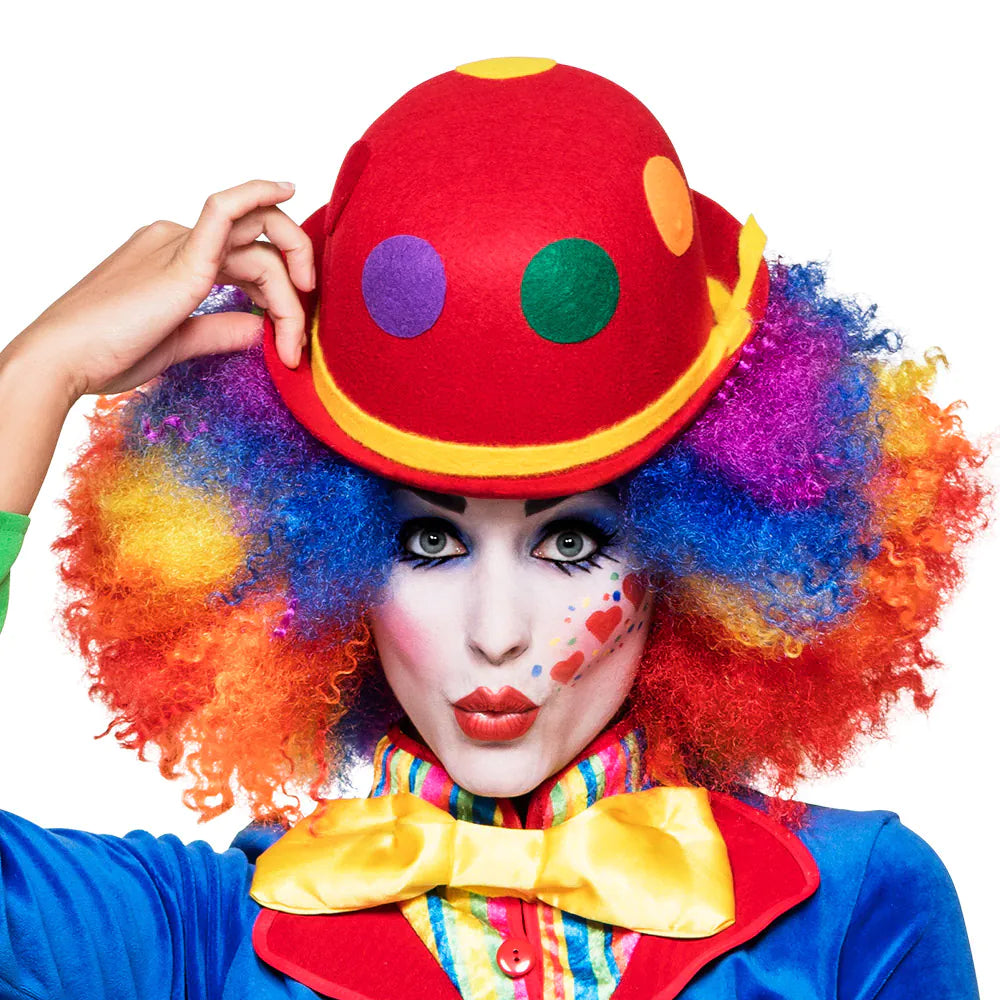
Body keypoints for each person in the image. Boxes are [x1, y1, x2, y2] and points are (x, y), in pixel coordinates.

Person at [0, 57, 987, 999]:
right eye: (429, 543)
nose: (498, 632)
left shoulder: (855, 907)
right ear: (316, 562)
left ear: (695, 559)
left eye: (573, 543)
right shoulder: (204, 933)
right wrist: (37, 375)